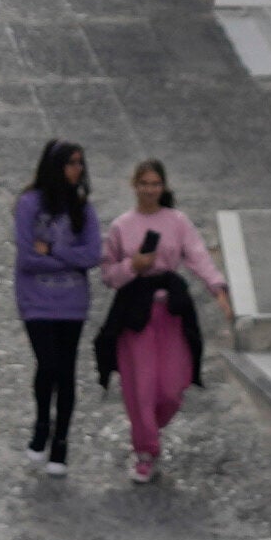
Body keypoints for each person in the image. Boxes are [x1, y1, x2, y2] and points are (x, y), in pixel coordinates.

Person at [94, 168, 214, 487]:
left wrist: (218, 286)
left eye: (156, 184)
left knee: (172, 389)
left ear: (163, 186)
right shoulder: (121, 226)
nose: (150, 190)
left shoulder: (177, 221)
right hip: (136, 314)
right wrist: (133, 266)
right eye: (144, 184)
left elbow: (198, 255)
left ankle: (150, 429)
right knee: (142, 388)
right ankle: (145, 450)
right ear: (134, 186)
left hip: (171, 313)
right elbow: (108, 275)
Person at [9, 140, 105, 460]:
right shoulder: (29, 204)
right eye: (71, 162)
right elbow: (26, 258)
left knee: (66, 371)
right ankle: (41, 424)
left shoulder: (83, 208)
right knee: (48, 364)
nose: (78, 169)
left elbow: (93, 255)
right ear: (55, 166)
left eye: (80, 162)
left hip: (72, 302)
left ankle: (61, 441)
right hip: (35, 300)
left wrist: (52, 251)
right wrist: (70, 259)